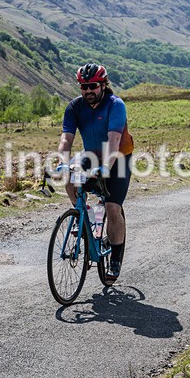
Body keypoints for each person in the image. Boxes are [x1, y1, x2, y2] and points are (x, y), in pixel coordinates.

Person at [56, 63, 134, 282]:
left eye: (92, 86)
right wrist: (62, 162)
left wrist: (106, 168)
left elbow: (114, 140)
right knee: (69, 176)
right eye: (83, 86)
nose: (88, 91)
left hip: (117, 158)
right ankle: (85, 214)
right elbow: (66, 139)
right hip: (90, 155)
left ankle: (116, 258)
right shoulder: (74, 107)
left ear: (103, 84)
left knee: (111, 207)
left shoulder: (115, 105)